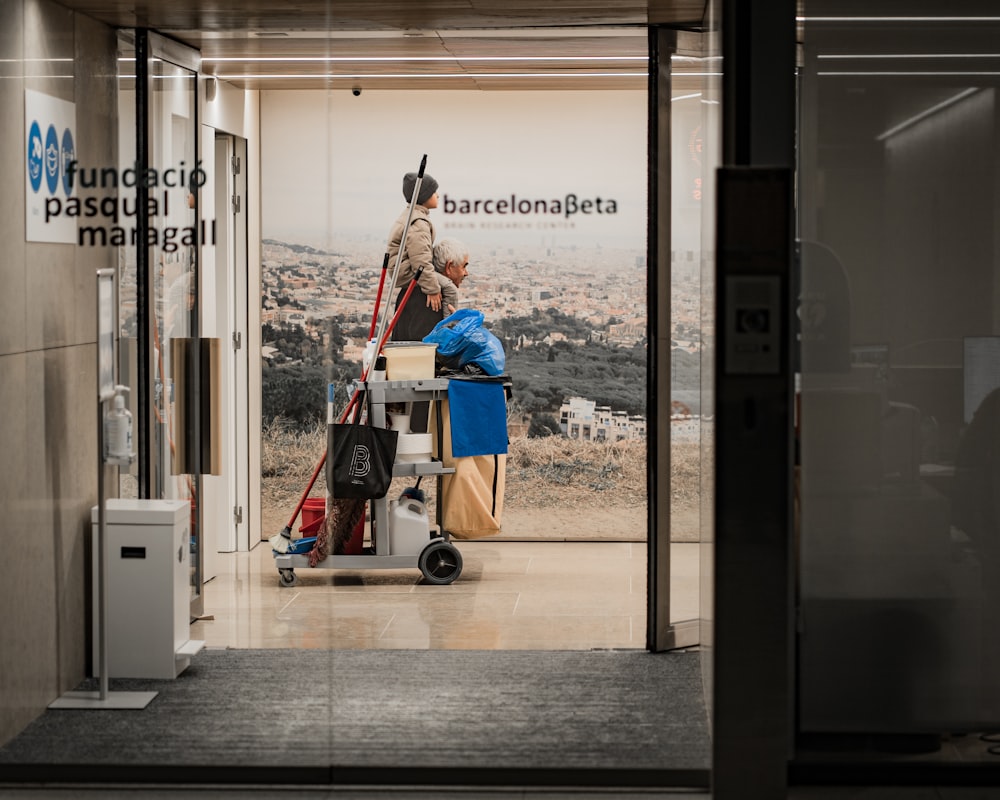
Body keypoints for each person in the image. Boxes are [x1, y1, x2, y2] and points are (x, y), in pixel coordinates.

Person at [385, 170, 441, 331]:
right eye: (433, 192)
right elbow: (421, 260)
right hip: (408, 274)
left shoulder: (412, 216)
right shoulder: (418, 223)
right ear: (424, 196)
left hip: (404, 272)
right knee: (447, 286)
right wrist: (432, 290)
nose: (438, 195)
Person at [392, 237, 470, 343]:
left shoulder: (416, 287)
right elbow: (426, 343)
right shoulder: (432, 297)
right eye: (464, 267)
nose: (466, 273)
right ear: (449, 267)